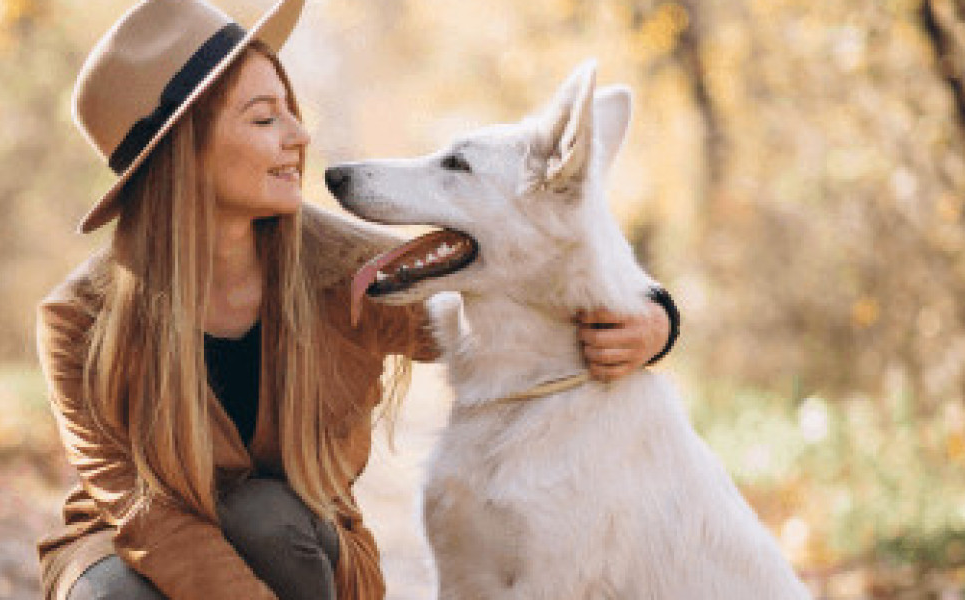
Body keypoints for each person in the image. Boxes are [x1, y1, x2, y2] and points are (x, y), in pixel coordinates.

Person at [35, 0, 680, 598]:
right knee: (111, 593)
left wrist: (655, 317)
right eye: (265, 118)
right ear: (183, 154)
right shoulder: (78, 322)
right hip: (130, 548)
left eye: (290, 108)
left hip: (298, 547)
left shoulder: (345, 266)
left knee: (271, 520)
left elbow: (518, 279)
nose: (300, 135)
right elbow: (147, 520)